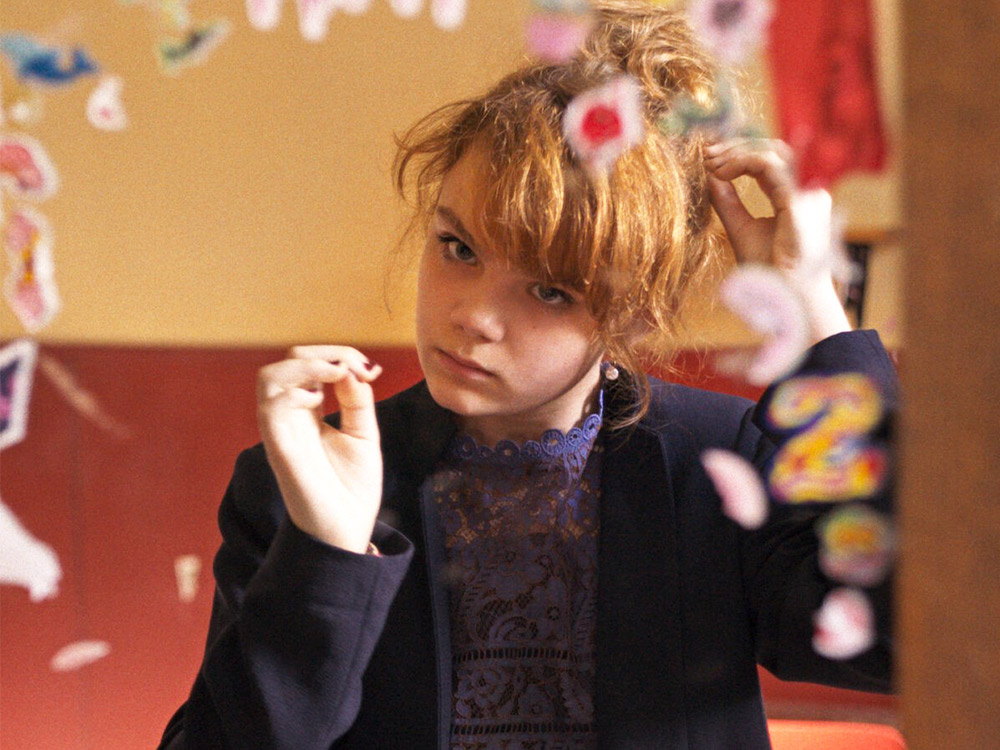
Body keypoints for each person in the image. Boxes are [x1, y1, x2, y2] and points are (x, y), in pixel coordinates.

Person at [158, 2, 897, 748]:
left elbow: (909, 639)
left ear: (636, 317)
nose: (473, 315)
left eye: (549, 290)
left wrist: (814, 318)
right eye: (458, 247)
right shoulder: (303, 483)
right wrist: (326, 559)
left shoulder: (720, 468)